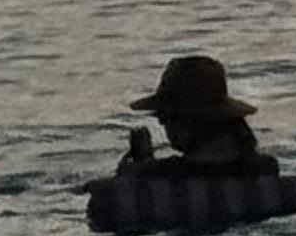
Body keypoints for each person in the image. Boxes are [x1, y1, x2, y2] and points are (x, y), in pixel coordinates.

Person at [118, 51, 279, 178]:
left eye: (167, 116)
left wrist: (141, 163)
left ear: (194, 121)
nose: (161, 123)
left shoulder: (163, 175)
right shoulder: (265, 168)